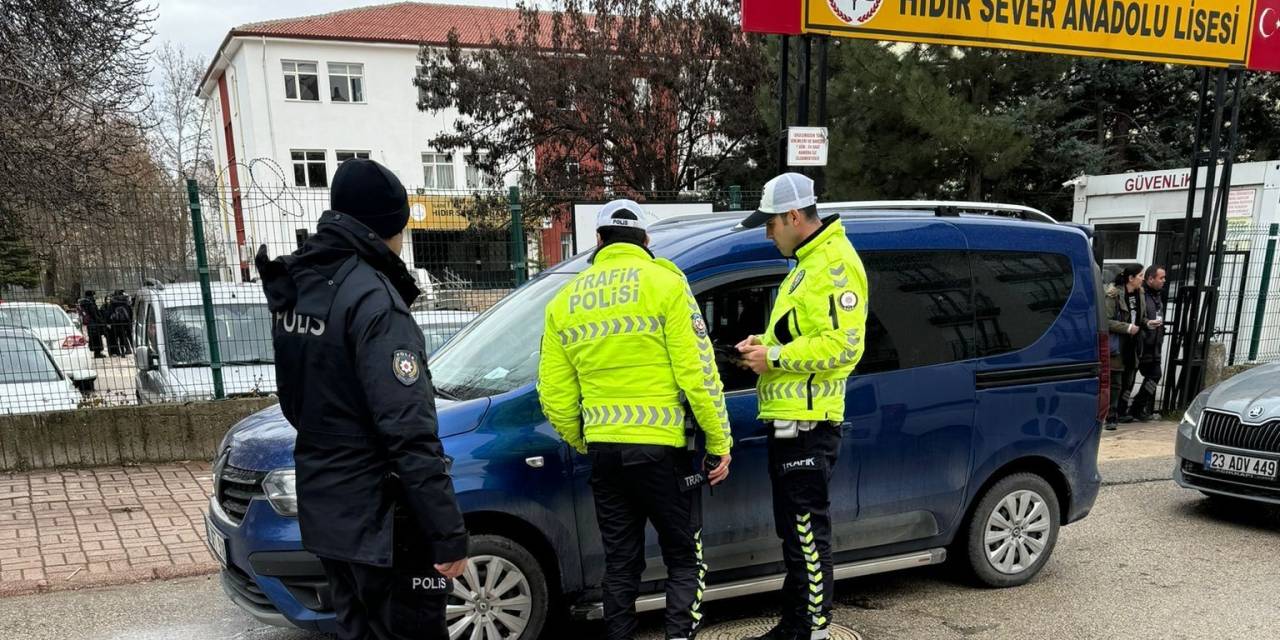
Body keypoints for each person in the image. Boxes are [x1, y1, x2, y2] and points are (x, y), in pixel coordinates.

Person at [255, 159, 468, 640]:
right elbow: (409, 429)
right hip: (384, 524)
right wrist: (446, 531)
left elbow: (294, 401)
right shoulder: (374, 299)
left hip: (328, 509)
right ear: (390, 227)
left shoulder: (303, 283)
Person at [538, 199, 733, 640]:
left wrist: (586, 440)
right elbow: (699, 375)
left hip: (606, 453)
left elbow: (554, 394)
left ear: (599, 240)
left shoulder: (566, 299)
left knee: (621, 563)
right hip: (664, 452)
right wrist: (720, 441)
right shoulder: (666, 283)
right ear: (646, 241)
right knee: (683, 557)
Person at [735, 173, 868, 640]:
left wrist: (773, 357)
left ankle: (813, 628)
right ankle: (795, 623)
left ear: (794, 216)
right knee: (795, 533)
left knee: (808, 536)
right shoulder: (806, 264)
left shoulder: (833, 266)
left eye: (770, 224)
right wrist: (763, 344)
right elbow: (802, 335)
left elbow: (843, 348)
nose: (767, 233)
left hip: (808, 424)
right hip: (790, 422)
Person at [1104, 264, 1147, 431]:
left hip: (1133, 345)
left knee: (1128, 380)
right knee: (1115, 382)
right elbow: (1106, 321)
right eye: (1141, 275)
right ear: (1131, 278)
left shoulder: (1140, 294)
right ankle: (1110, 416)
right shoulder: (1113, 294)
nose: (1142, 279)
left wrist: (1147, 323)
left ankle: (1121, 411)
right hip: (1117, 345)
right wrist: (1127, 327)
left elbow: (1140, 319)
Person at [1128, 266, 1166, 422]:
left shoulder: (1157, 296)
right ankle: (1121, 410)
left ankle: (1138, 406)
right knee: (1128, 379)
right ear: (1151, 279)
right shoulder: (1141, 294)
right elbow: (1137, 318)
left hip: (1154, 345)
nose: (1163, 281)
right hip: (1141, 344)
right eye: (1161, 278)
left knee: (1155, 375)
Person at [78, 290, 105, 359]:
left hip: (89, 323)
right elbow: (94, 313)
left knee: (93, 337)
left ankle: (96, 352)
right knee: (97, 338)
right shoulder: (90, 302)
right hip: (94, 323)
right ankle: (97, 353)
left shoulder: (84, 302)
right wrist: (100, 320)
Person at [106, 290, 133, 356]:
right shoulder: (125, 301)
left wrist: (108, 322)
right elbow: (130, 312)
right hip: (126, 323)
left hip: (116, 323)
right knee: (125, 337)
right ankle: (129, 349)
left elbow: (109, 313)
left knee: (117, 337)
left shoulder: (112, 303)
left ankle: (120, 351)